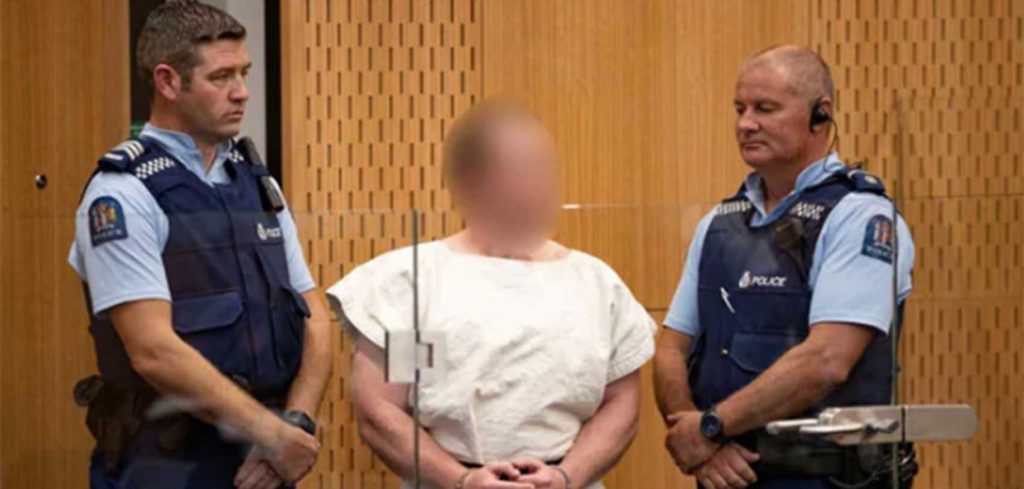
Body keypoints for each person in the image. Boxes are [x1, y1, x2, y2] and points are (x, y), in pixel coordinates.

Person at [326, 101, 656, 489]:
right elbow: (382, 408)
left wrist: (567, 476)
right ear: (474, 180)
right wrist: (463, 479)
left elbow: (621, 403)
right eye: (517, 167)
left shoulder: (595, 285)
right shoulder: (418, 284)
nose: (533, 184)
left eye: (541, 168)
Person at [69, 1, 331, 488]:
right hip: (166, 464)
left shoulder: (256, 184)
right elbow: (152, 350)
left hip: (265, 461)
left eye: (244, 73)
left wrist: (295, 424)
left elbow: (313, 314)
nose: (242, 92)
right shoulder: (123, 192)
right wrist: (272, 435)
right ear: (168, 82)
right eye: (221, 77)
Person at [653, 45, 915, 489]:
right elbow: (671, 350)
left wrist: (711, 427)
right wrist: (697, 443)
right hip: (726, 475)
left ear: (819, 114)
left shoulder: (860, 217)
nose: (745, 123)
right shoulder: (718, 224)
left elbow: (826, 361)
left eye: (765, 108)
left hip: (827, 479)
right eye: (739, 109)